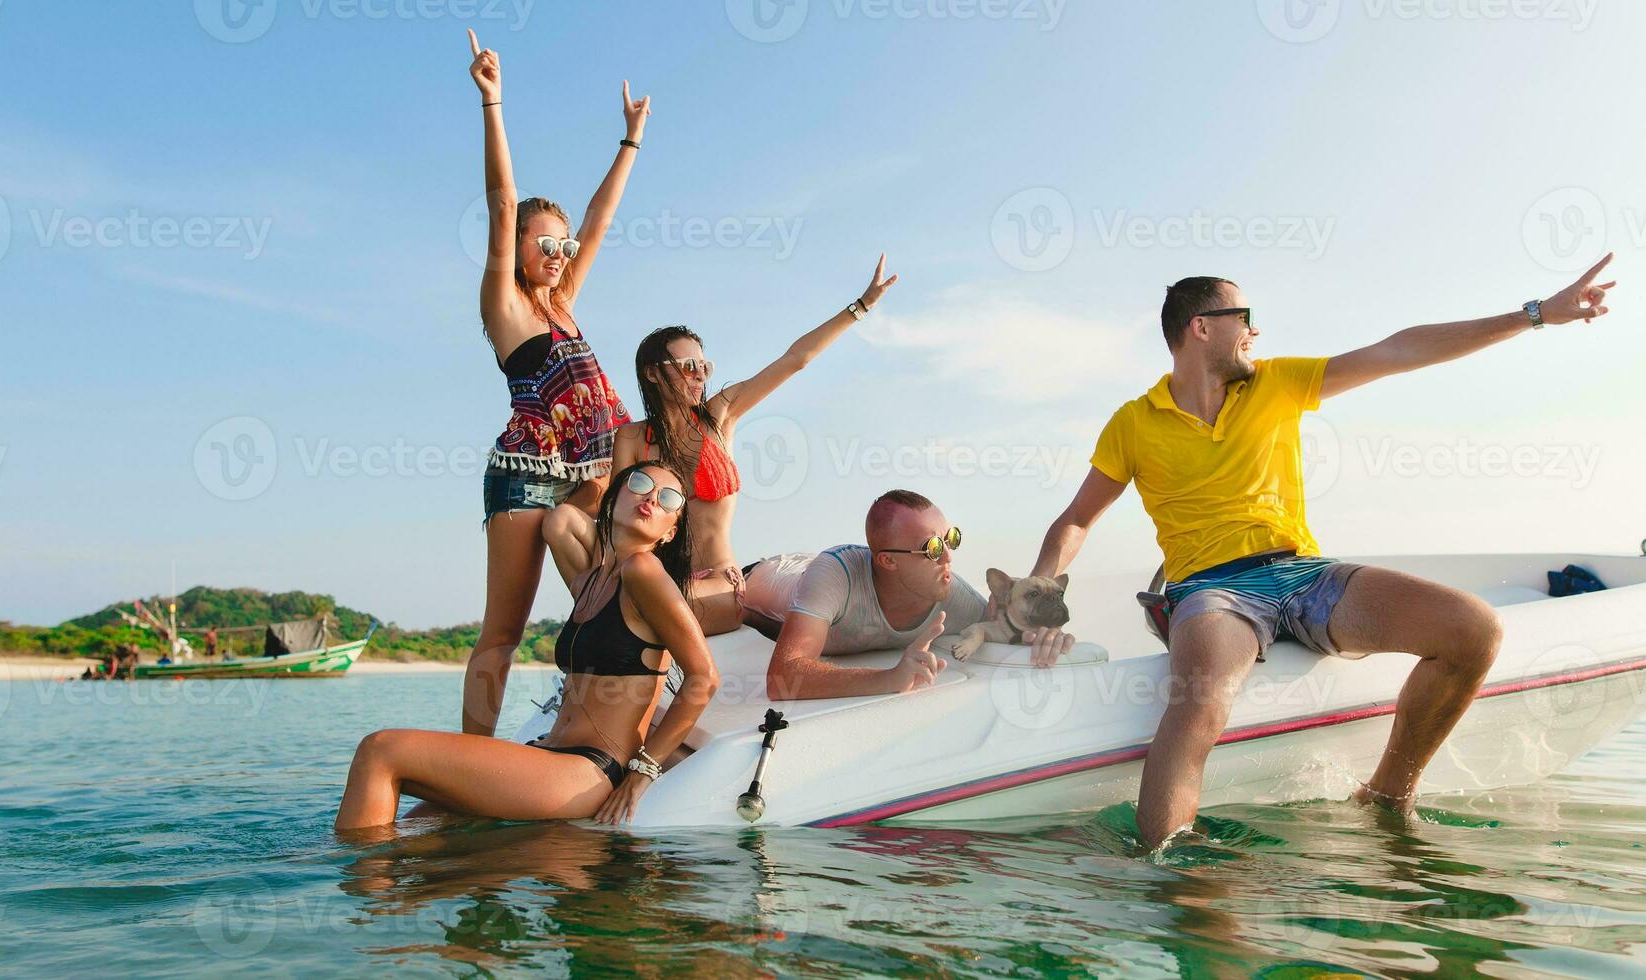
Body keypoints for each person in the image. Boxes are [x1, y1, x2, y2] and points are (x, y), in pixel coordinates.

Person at [1021, 255, 1618, 847]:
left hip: (1303, 574)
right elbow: (1077, 518)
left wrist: (1535, 314)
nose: (1255, 330)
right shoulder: (1132, 422)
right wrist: (1042, 589)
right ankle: (1173, 876)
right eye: (1244, 316)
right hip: (1211, 588)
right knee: (1199, 699)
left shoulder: (1276, 382)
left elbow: (1398, 351)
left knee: (1474, 629)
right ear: (1201, 327)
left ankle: (1387, 795)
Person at [335, 463, 718, 830]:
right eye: (639, 485)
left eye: (669, 499)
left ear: (670, 531)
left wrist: (642, 773)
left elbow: (703, 677)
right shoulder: (590, 583)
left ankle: (348, 889)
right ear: (613, 500)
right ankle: (370, 888)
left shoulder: (644, 571)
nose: (651, 498)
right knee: (417, 827)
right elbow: (560, 522)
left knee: (380, 751)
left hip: (587, 769)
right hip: (547, 751)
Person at [545, 256, 898, 636]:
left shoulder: (721, 415)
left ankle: (599, 614)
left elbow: (796, 360)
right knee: (559, 520)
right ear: (652, 373)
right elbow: (615, 524)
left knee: (641, 598)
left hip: (716, 583)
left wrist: (859, 307)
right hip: (649, 577)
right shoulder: (632, 438)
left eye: (703, 365)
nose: (698, 375)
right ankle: (600, 607)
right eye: (686, 365)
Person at [463, 29, 649, 738]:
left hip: (589, 473)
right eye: (543, 243)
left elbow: (599, 222)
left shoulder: (564, 304)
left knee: (613, 597)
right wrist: (493, 102)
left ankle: (609, 719)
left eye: (561, 246)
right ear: (516, 247)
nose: (557, 254)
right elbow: (502, 202)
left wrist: (628, 142)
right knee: (502, 632)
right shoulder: (504, 306)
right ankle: (472, 757)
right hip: (521, 477)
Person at [749, 490, 997, 700]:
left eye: (949, 539)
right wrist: (889, 679)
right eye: (932, 548)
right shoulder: (835, 575)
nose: (948, 557)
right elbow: (782, 679)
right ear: (888, 560)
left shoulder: (953, 596)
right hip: (766, 577)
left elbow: (1005, 627)